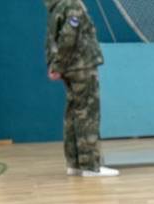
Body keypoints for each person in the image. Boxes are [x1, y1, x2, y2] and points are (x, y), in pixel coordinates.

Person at [44, 0, 118, 177]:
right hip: (81, 67)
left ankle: (75, 164)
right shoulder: (72, 4)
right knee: (87, 115)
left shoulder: (57, 6)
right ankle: (90, 166)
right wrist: (58, 66)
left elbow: (52, 40)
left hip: (70, 67)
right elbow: (69, 36)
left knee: (73, 115)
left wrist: (56, 65)